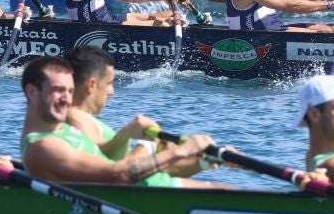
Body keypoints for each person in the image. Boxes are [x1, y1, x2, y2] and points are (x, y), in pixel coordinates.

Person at [18, 56, 230, 188]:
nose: (66, 99)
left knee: (228, 190)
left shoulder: (64, 132)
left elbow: (117, 166)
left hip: (141, 193)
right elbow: (119, 174)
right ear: (32, 92)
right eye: (58, 90)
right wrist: (181, 150)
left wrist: (205, 161)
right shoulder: (43, 146)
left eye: (70, 91)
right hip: (135, 203)